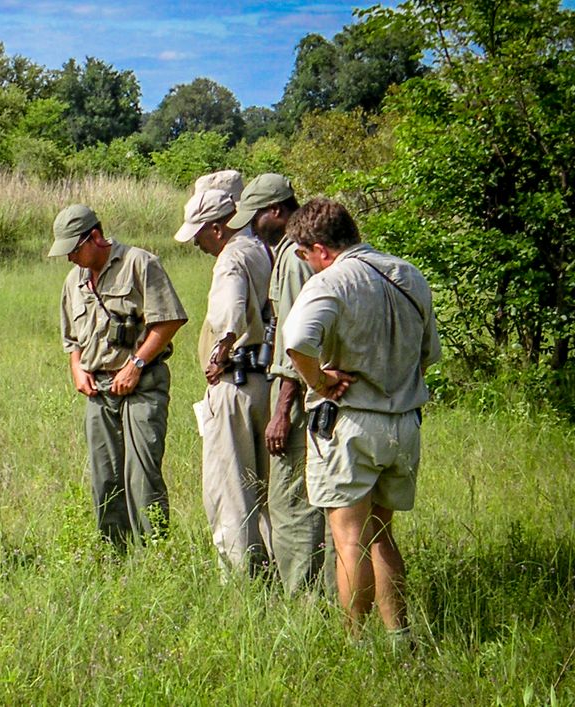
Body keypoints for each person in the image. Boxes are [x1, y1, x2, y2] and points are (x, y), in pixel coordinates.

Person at [282, 198, 440, 641]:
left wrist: (320, 382)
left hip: (350, 423)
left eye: (304, 256)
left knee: (348, 539)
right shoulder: (409, 274)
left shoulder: (331, 280)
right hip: (405, 423)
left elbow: (297, 342)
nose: (307, 265)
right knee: (382, 534)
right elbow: (429, 355)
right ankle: (398, 637)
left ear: (319, 249)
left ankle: (354, 642)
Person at [50, 204, 188, 549]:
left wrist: (135, 365)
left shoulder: (140, 263)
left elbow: (168, 320)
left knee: (142, 474)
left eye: (74, 249)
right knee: (105, 475)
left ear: (95, 236)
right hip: (98, 389)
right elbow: (71, 338)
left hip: (141, 384)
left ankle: (155, 552)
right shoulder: (74, 280)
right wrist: (77, 367)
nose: (70, 258)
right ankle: (114, 553)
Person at [228, 173, 333, 594]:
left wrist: (280, 411)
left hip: (298, 394)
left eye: (256, 217)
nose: (252, 227)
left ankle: (300, 596)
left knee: (291, 501)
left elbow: (294, 341)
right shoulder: (305, 252)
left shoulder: (292, 256)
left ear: (277, 211)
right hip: (317, 389)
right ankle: (328, 594)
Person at [174, 186, 274, 577]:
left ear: (217, 228)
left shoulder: (231, 257)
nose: (196, 242)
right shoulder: (262, 249)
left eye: (198, 232)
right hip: (267, 381)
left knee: (230, 490)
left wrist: (220, 352)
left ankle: (240, 578)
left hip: (235, 384)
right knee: (266, 488)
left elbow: (230, 310)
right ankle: (274, 568)